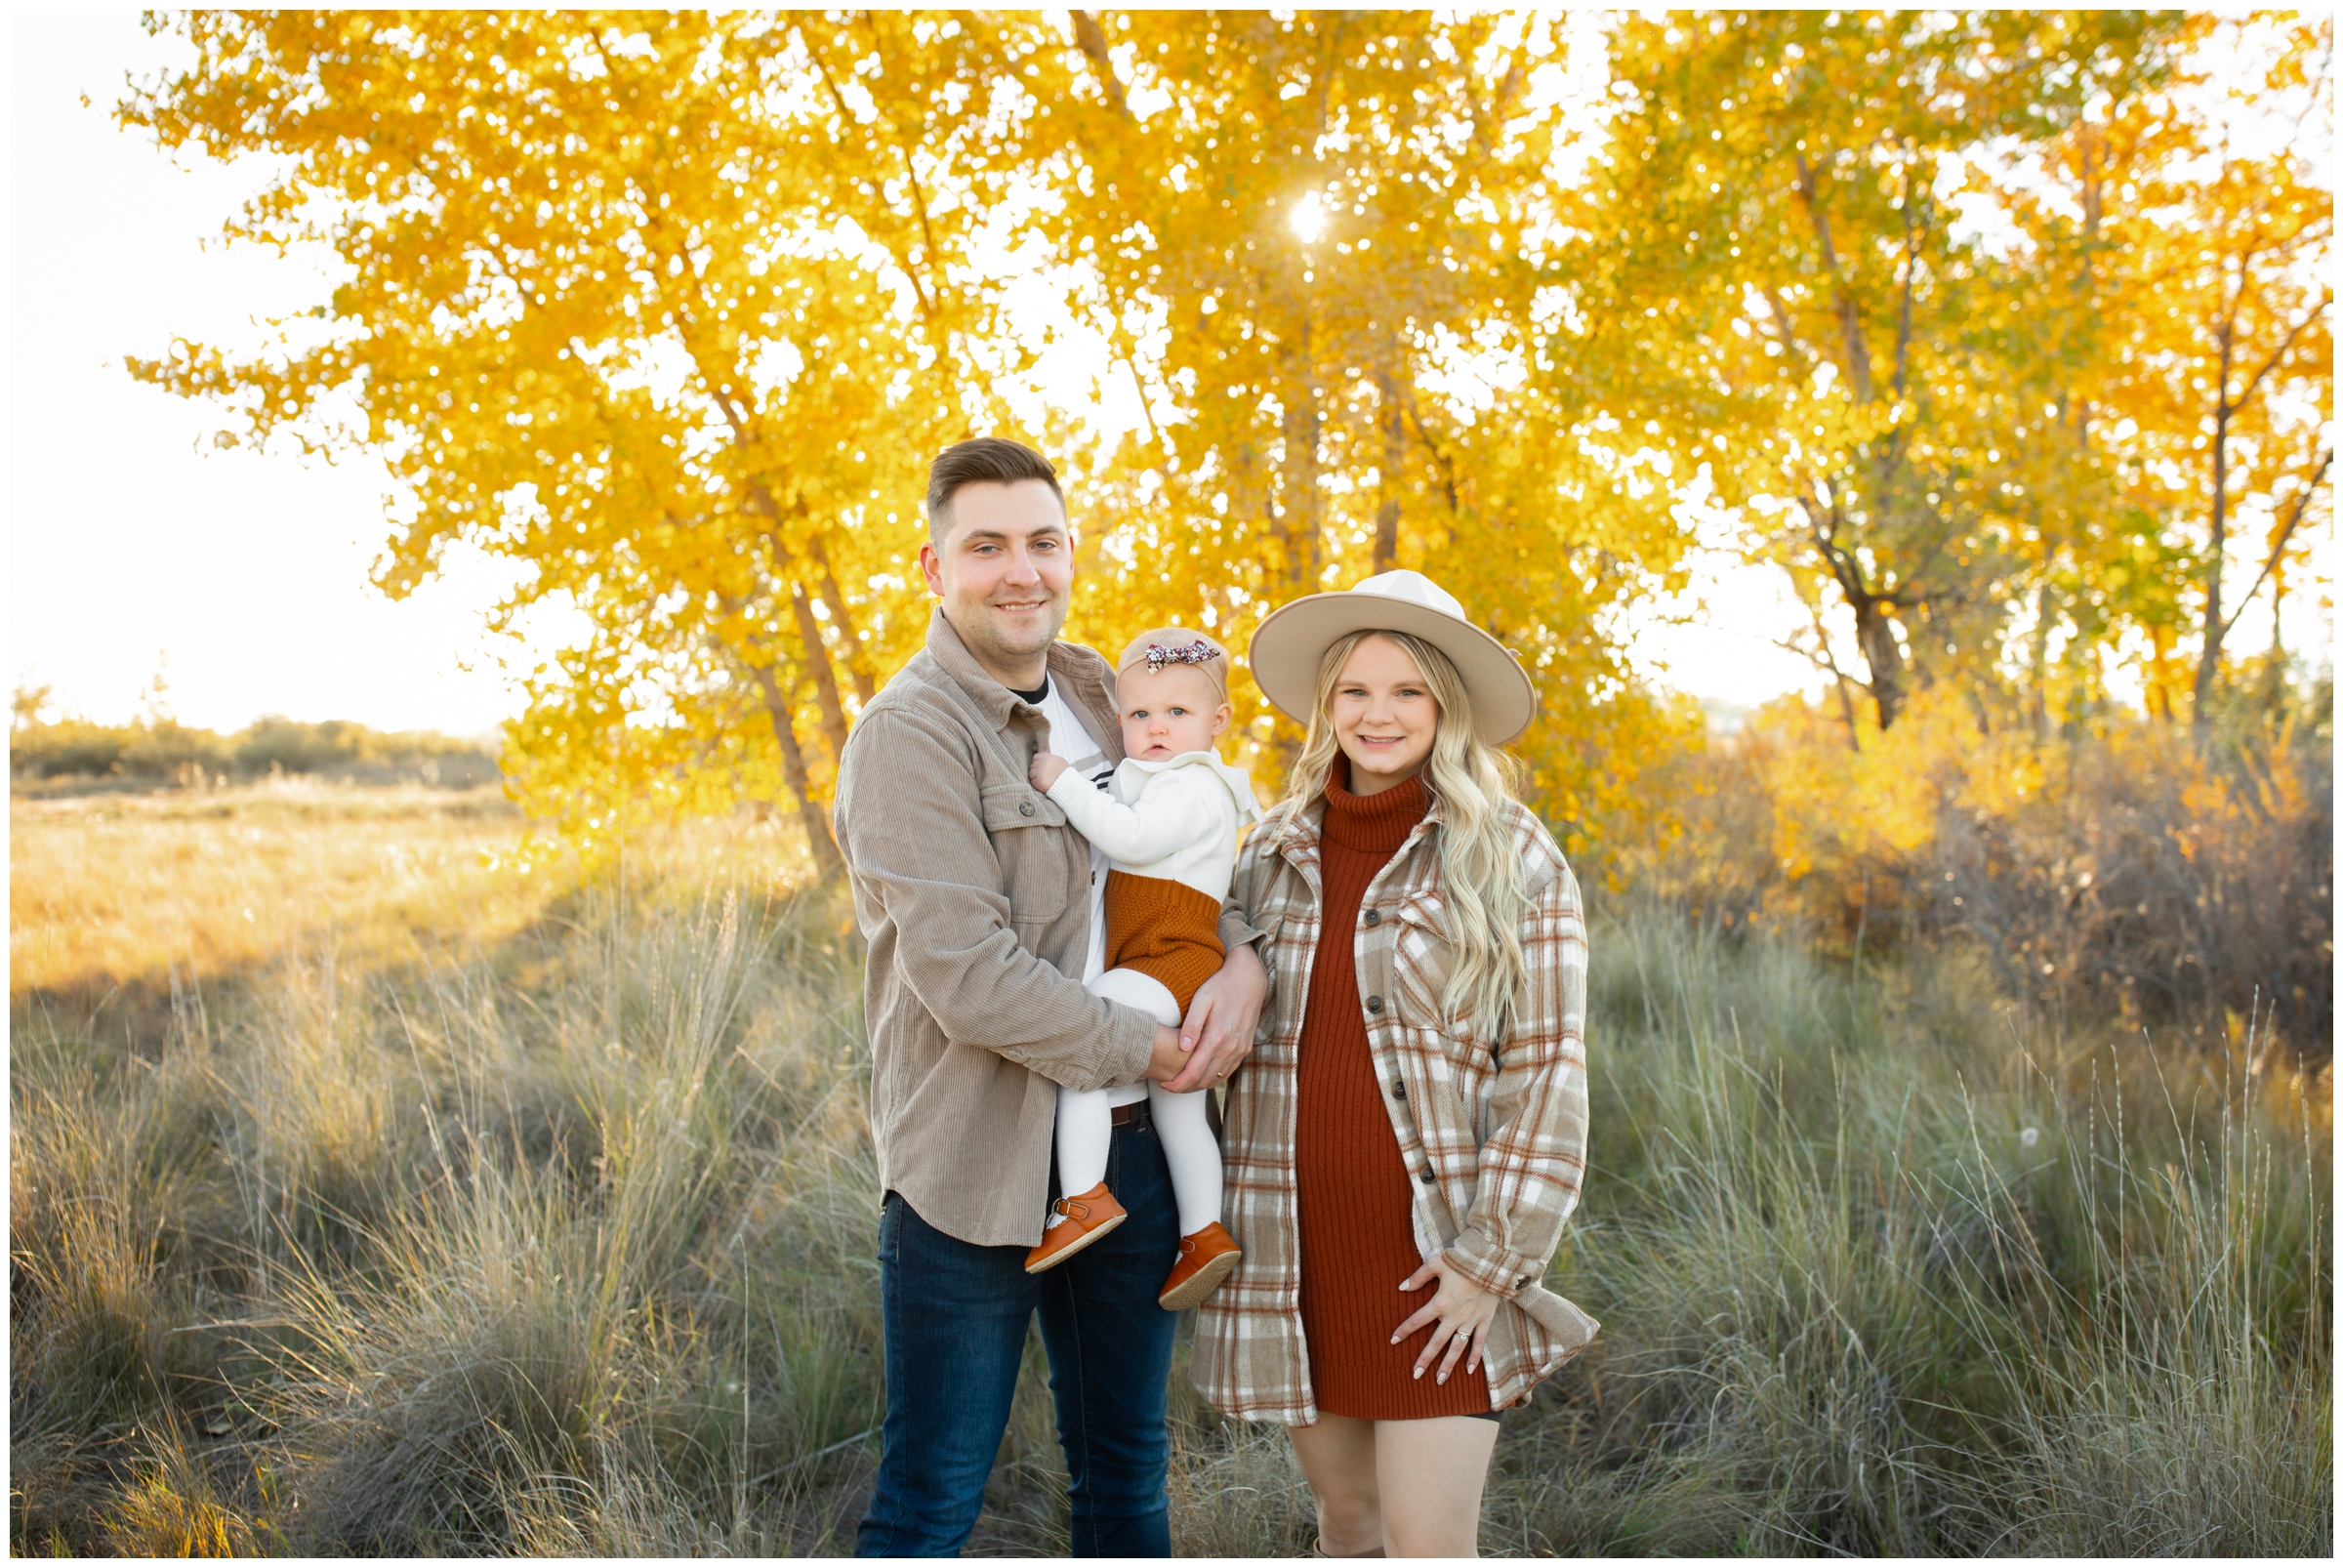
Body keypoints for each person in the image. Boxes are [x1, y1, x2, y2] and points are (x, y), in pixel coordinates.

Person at [833, 436, 1268, 1558]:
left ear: (1070, 551)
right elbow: (971, 979)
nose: (1020, 571)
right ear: (933, 566)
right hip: (975, 1167)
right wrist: (1155, 1045)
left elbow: (1208, 848)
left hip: (1132, 1157)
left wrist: (1246, 962)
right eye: (986, 547)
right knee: (932, 1500)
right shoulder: (908, 735)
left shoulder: (1098, 687)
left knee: (1125, 1483)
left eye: (1041, 541)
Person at [1193, 569, 1599, 1559]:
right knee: (1349, 1525)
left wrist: (1489, 1262)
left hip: (1437, 1268)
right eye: (1356, 691)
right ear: (1327, 704)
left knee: (1428, 1543)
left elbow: (1546, 1071)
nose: (1379, 715)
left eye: (1407, 690)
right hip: (1296, 1253)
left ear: (1446, 705)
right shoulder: (1268, 852)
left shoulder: (1512, 855)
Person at [1024, 628, 1256, 1311]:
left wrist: (1061, 779)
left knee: (1087, 1034)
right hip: (1169, 960)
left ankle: (1085, 1196)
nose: (1156, 729)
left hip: (1171, 958)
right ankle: (1203, 1232)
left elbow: (1128, 838)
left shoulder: (1193, 785)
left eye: (1178, 714)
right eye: (1139, 715)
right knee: (1180, 1105)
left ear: (1218, 723)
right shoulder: (1160, 775)